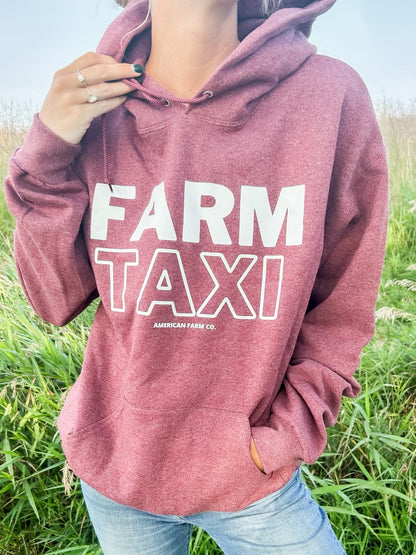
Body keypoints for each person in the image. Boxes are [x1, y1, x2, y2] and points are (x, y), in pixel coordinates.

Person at [4, 0, 388, 553]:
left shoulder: (328, 97)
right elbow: (52, 299)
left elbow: (345, 301)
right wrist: (47, 154)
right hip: (116, 470)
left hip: (254, 478)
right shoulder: (92, 99)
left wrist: (281, 436)